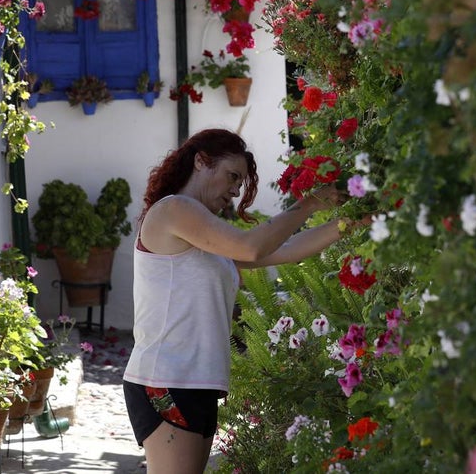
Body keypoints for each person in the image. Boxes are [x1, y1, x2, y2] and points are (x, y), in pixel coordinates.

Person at [123, 128, 348, 473]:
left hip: (196, 381)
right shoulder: (173, 210)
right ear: (201, 162)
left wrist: (350, 221)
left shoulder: (207, 232)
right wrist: (314, 200)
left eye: (240, 183)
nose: (235, 190)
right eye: (232, 176)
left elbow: (285, 251)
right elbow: (250, 246)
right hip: (167, 379)